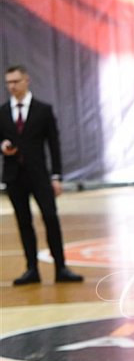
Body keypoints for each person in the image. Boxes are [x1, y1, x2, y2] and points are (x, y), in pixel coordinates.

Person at [0, 65, 83, 285]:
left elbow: (53, 145)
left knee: (50, 218)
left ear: (26, 80)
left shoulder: (43, 110)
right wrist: (3, 146)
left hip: (39, 175)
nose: (12, 86)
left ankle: (61, 267)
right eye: (8, 82)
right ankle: (31, 269)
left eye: (16, 81)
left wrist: (56, 176)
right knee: (23, 222)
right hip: (14, 176)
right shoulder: (3, 112)